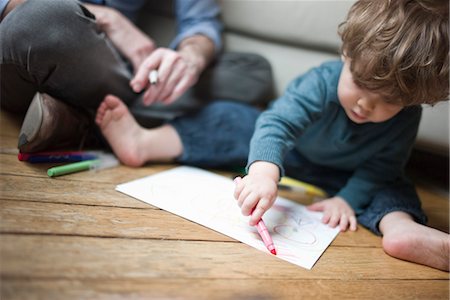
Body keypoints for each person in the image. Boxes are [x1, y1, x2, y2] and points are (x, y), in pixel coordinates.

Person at [94, 0, 449, 271]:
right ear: (346, 54)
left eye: (389, 101)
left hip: (347, 176)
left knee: (394, 185)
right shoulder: (323, 81)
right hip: (290, 155)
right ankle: (144, 142)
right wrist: (264, 172)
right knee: (231, 118)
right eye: (359, 83)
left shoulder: (406, 116)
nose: (366, 105)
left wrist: (348, 200)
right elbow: (278, 124)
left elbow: (381, 168)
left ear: (414, 100)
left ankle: (400, 228)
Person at [0, 0, 272, 152]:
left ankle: (84, 121)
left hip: (119, 73)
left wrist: (191, 57)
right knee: (40, 20)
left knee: (253, 70)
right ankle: (104, 125)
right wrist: (108, 18)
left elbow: (201, 22)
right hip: (40, 44)